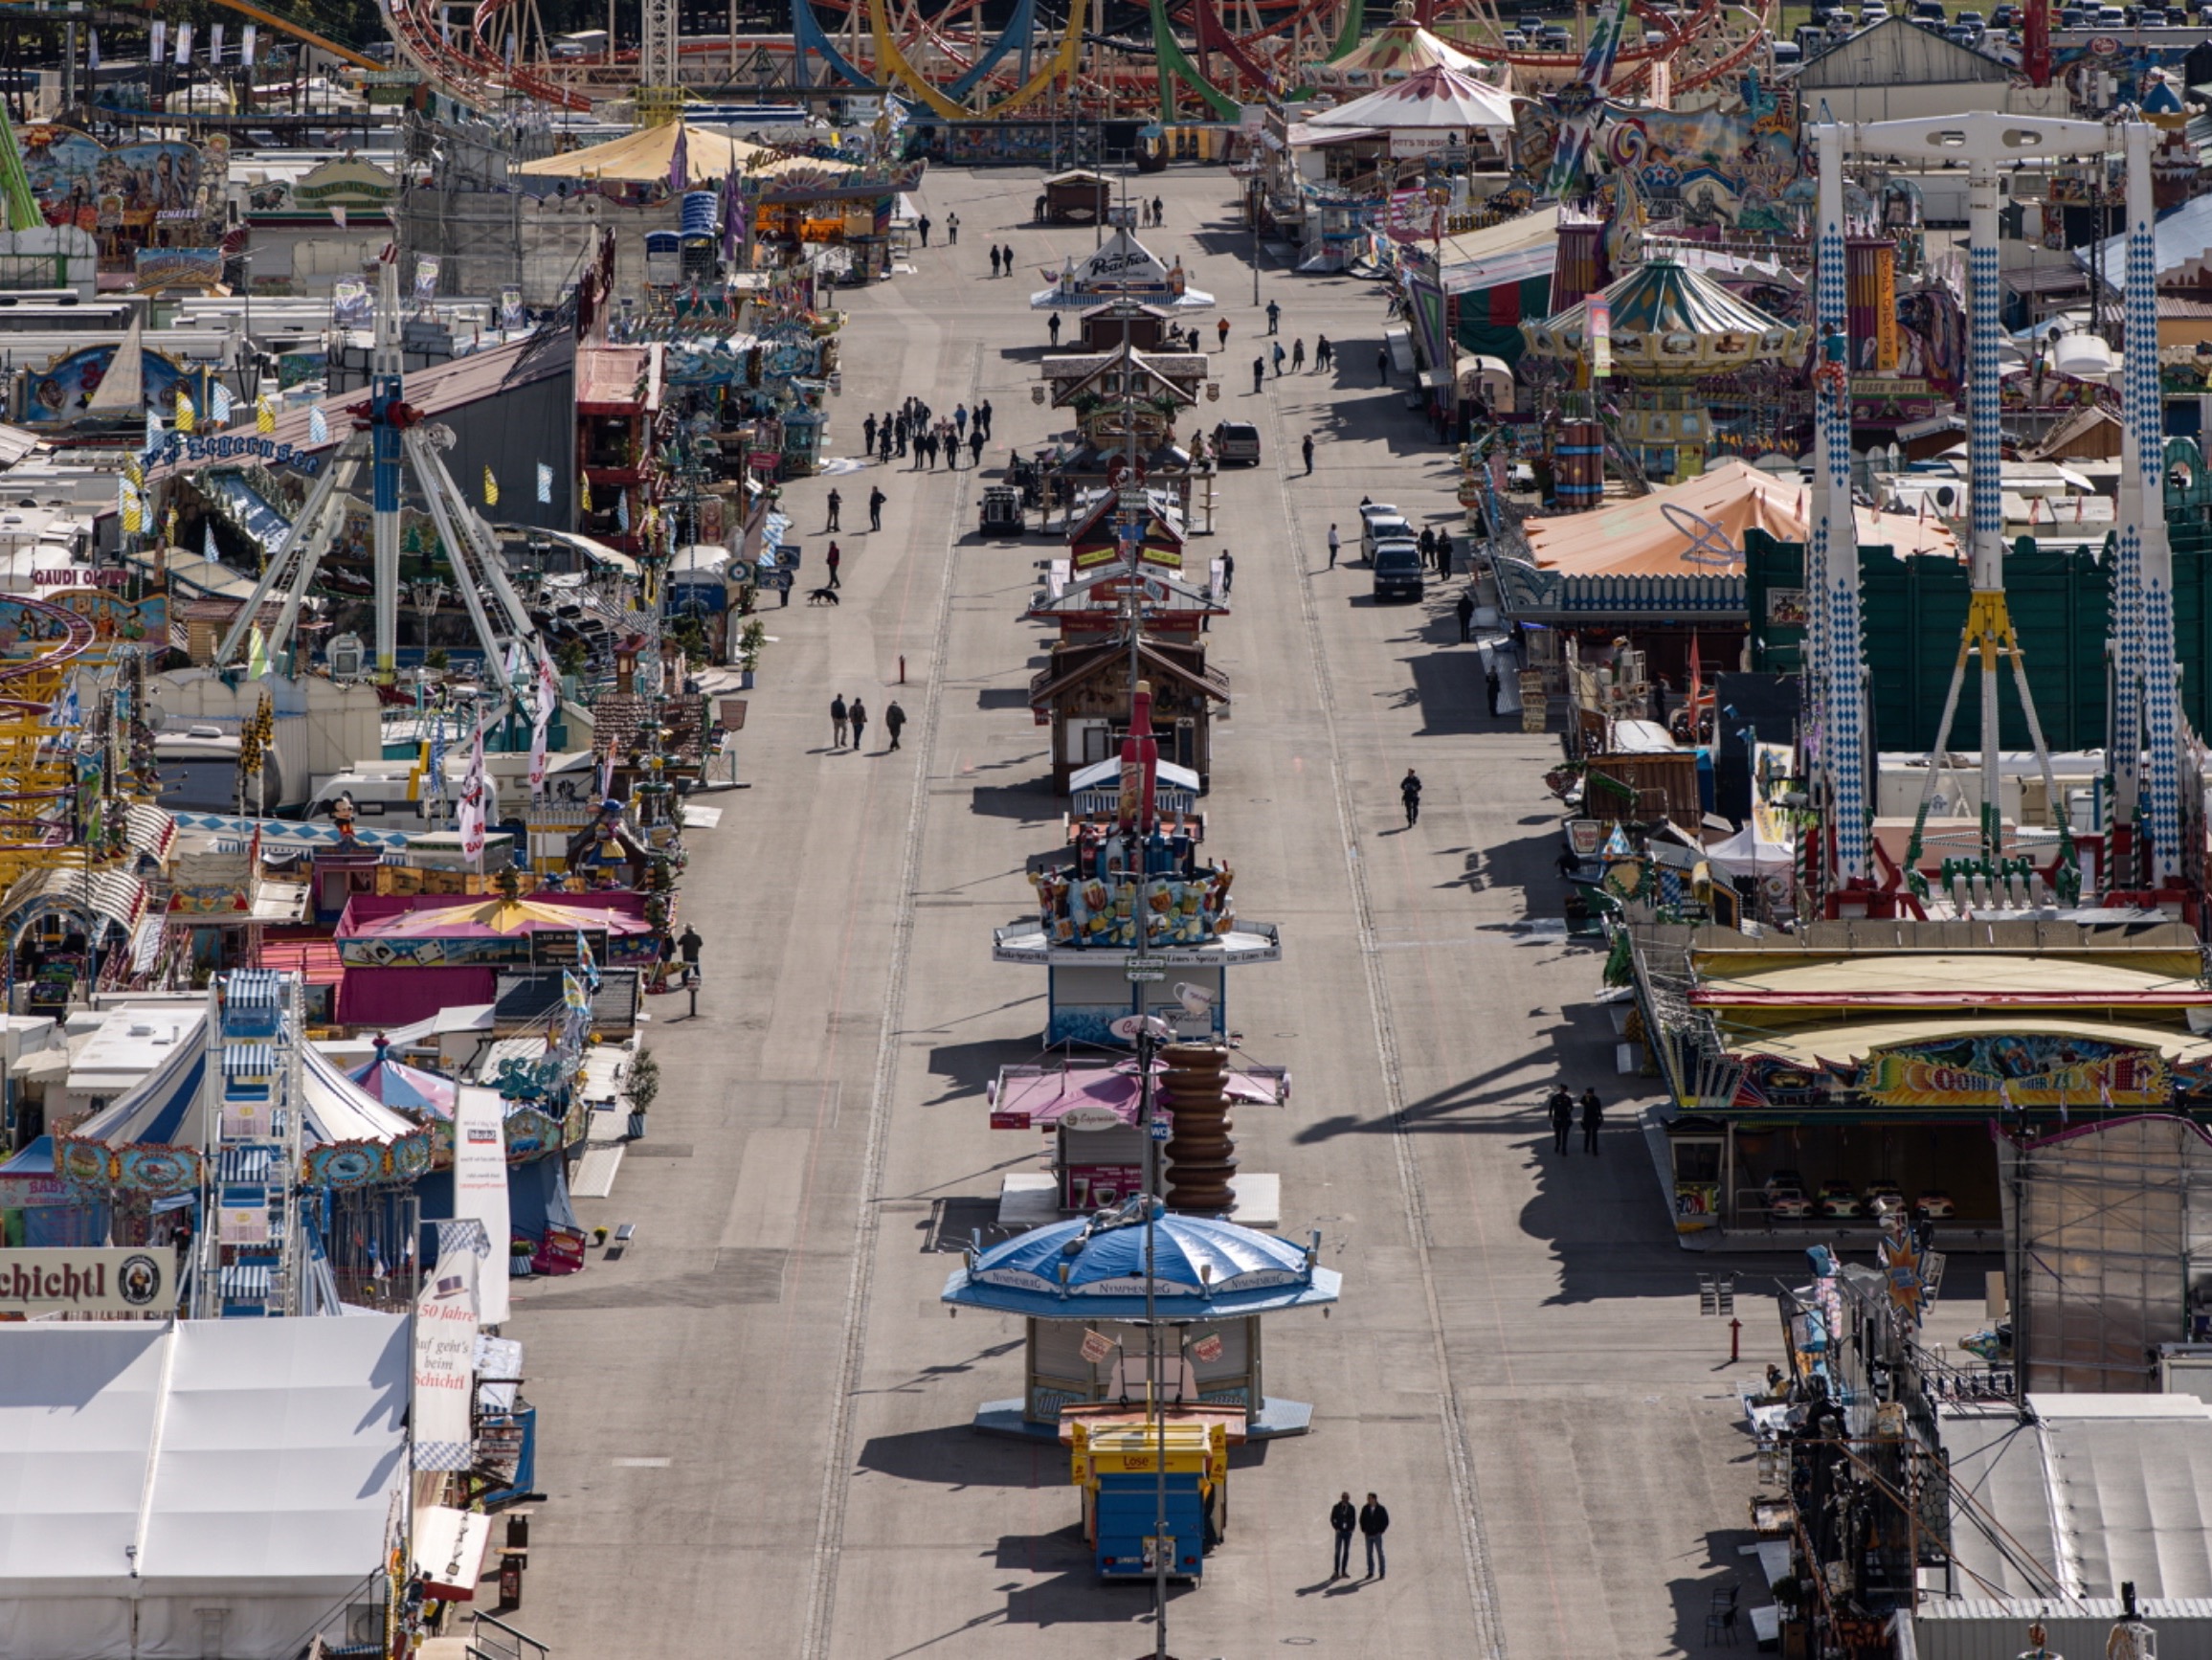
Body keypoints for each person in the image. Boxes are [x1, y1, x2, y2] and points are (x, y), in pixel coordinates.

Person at [1359, 1493, 1390, 1580]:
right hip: (1368, 1534)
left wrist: (1381, 1531)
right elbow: (1361, 1520)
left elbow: (1386, 1521)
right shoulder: (1365, 1508)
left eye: (1369, 1498)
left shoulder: (1381, 1509)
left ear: (1374, 1499)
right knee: (1369, 1554)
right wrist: (1364, 1530)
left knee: (1380, 1553)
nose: (1368, 1500)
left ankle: (1382, 1572)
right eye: (1368, 1498)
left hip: (1377, 1535)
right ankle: (1370, 1572)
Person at [1330, 1492, 1357, 1580]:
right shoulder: (1336, 1507)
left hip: (1347, 1533)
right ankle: (1336, 1571)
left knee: (1346, 1551)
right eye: (1344, 1498)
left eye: (1347, 1498)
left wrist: (1352, 1528)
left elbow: (1354, 1519)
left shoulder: (1352, 1508)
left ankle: (1344, 1571)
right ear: (1341, 1498)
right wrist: (1336, 1527)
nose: (1345, 1500)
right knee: (1338, 1552)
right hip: (1339, 1532)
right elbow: (1332, 1518)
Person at [1547, 1084, 1574, 1154]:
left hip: (1565, 1118)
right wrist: (1550, 1115)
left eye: (1564, 1090)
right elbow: (1551, 1107)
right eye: (1562, 1089)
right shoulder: (1555, 1098)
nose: (1562, 1091)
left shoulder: (1568, 1099)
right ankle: (1558, 1144)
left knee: (1565, 1135)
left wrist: (1569, 1109)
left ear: (1566, 1090)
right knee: (1557, 1134)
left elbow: (1571, 1107)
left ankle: (1564, 1148)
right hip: (1557, 1118)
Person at [1581, 1088, 1603, 1155]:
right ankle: (1586, 1148)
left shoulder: (1596, 1100)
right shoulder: (1586, 1099)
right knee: (1587, 1134)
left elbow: (1599, 1109)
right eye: (1588, 1093)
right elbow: (1582, 1102)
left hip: (1594, 1118)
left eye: (1590, 1093)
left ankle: (1595, 1150)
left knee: (1594, 1135)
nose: (1589, 1094)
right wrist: (1585, 1096)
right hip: (1587, 1118)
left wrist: (1601, 1117)